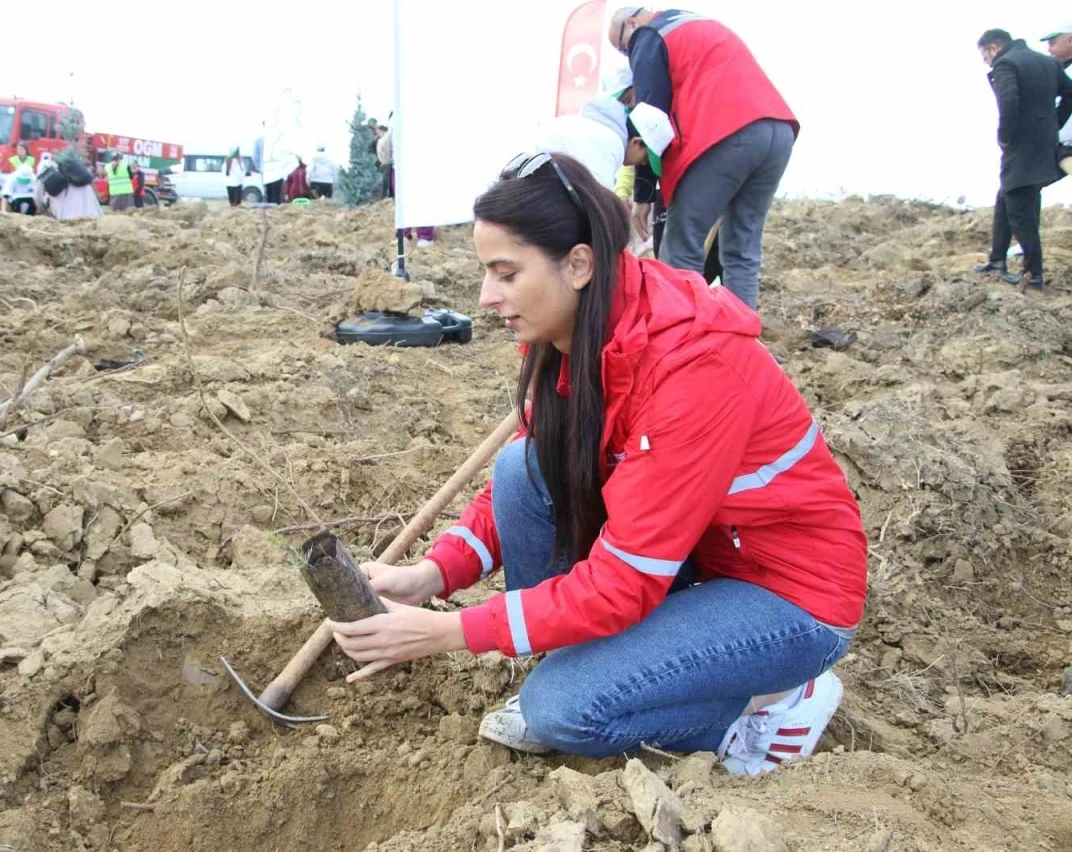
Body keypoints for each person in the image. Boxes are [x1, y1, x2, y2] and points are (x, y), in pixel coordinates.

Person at [325, 153, 866, 773]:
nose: (486, 297)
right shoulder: (577, 334)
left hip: (786, 595)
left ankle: (774, 700)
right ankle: (598, 665)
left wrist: (449, 632)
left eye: (506, 274)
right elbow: (528, 488)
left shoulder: (692, 370)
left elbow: (624, 582)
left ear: (579, 264)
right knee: (524, 467)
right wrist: (431, 575)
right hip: (693, 554)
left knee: (562, 710)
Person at [608, 8, 796, 311]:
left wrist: (643, 195)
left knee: (681, 247)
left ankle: (682, 332)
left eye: (623, 48)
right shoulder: (695, 26)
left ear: (631, 23)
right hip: (777, 131)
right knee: (741, 249)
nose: (628, 57)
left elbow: (650, 118)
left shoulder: (649, 34)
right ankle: (741, 333)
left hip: (725, 135)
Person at [971, 29, 1072, 291]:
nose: (986, 62)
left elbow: (1009, 101)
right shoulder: (1047, 63)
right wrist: (1054, 124)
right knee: (1007, 195)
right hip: (1044, 144)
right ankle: (996, 259)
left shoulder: (1006, 63)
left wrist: (1005, 137)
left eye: (985, 56)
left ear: (993, 48)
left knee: (1019, 204)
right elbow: (1070, 93)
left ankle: (1033, 273)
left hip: (1022, 146)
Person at [1040, 23, 1072, 173]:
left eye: (1053, 43)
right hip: (1059, 150)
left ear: (1070, 40)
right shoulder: (1057, 71)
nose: (1049, 50)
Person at [377, 123, 393, 198]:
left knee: (386, 180)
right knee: (386, 179)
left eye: (378, 131)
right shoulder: (383, 138)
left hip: (387, 162)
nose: (378, 133)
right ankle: (386, 195)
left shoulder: (386, 138)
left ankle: (386, 195)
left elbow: (386, 150)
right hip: (385, 162)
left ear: (381, 130)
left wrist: (385, 160)